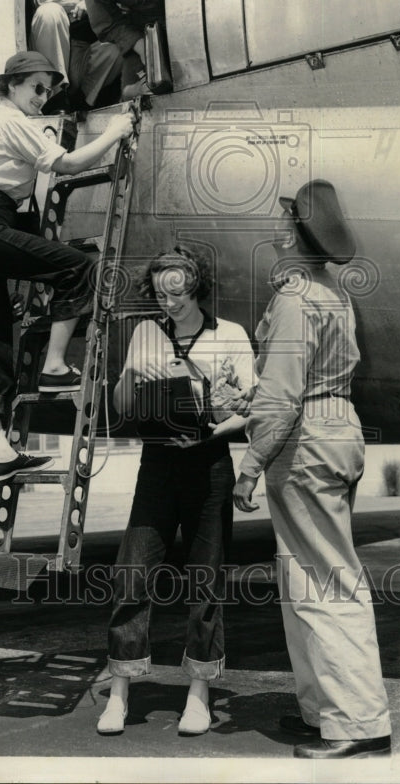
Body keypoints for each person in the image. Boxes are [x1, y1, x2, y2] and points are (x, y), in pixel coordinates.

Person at [233, 180, 392, 759]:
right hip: (334, 429)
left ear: (300, 233)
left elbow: (279, 398)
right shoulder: (331, 290)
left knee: (325, 583)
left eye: (283, 220)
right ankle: (325, 711)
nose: (274, 229)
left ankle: (358, 723)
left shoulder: (297, 297)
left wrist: (249, 465)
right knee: (306, 580)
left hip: (305, 440)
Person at [0, 50, 135, 478]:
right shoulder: (11, 120)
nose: (43, 97)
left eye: (48, 90)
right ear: (11, 85)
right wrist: (117, 131)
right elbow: (67, 164)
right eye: (36, 87)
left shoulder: (1, 124)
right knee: (78, 268)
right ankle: (54, 367)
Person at [97, 247, 255, 737]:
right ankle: (120, 692)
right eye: (161, 295)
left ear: (196, 287)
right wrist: (129, 377)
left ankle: (199, 693)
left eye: (178, 293)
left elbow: (251, 407)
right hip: (158, 462)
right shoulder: (145, 332)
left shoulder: (230, 335)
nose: (170, 304)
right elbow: (121, 408)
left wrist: (208, 432)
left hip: (208, 465)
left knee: (204, 585)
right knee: (131, 574)